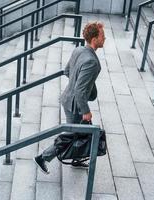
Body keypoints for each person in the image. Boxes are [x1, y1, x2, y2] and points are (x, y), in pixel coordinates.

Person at [34, 21, 105, 174]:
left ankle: (76, 158)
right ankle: (43, 157)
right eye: (102, 36)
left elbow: (67, 71)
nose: (104, 39)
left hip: (68, 98)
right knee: (71, 134)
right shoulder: (92, 62)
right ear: (94, 40)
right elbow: (80, 89)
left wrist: (80, 84)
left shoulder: (79, 50)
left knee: (81, 133)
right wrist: (85, 111)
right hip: (76, 105)